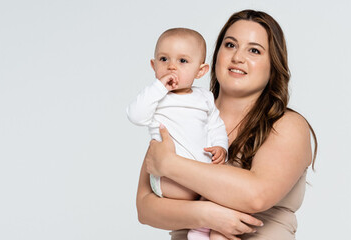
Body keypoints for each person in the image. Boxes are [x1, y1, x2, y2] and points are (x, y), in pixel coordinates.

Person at [136, 9, 318, 240]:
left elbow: (256, 194)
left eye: (254, 50)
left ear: (273, 65)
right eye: (230, 45)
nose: (238, 57)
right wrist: (207, 215)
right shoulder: (178, 113)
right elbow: (145, 208)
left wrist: (169, 164)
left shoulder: (287, 125)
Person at [127, 27, 229, 240]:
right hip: (168, 178)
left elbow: (215, 125)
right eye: (164, 59)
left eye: (182, 61)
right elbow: (135, 115)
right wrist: (157, 88)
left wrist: (221, 147)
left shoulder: (205, 98)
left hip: (199, 172)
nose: (171, 66)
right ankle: (201, 224)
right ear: (154, 66)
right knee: (209, 193)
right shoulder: (156, 98)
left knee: (222, 191)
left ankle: (202, 230)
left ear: (200, 71)